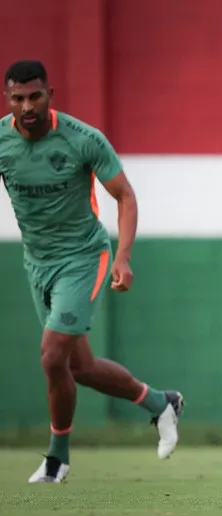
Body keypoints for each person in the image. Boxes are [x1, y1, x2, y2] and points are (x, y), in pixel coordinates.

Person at [1, 60, 184, 483]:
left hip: (84, 258)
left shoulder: (83, 139)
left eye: (34, 96)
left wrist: (122, 256)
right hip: (36, 262)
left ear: (50, 94)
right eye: (17, 98)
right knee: (77, 366)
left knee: (51, 358)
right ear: (9, 98)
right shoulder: (2, 141)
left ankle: (57, 459)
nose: (26, 105)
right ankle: (160, 403)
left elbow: (125, 196)